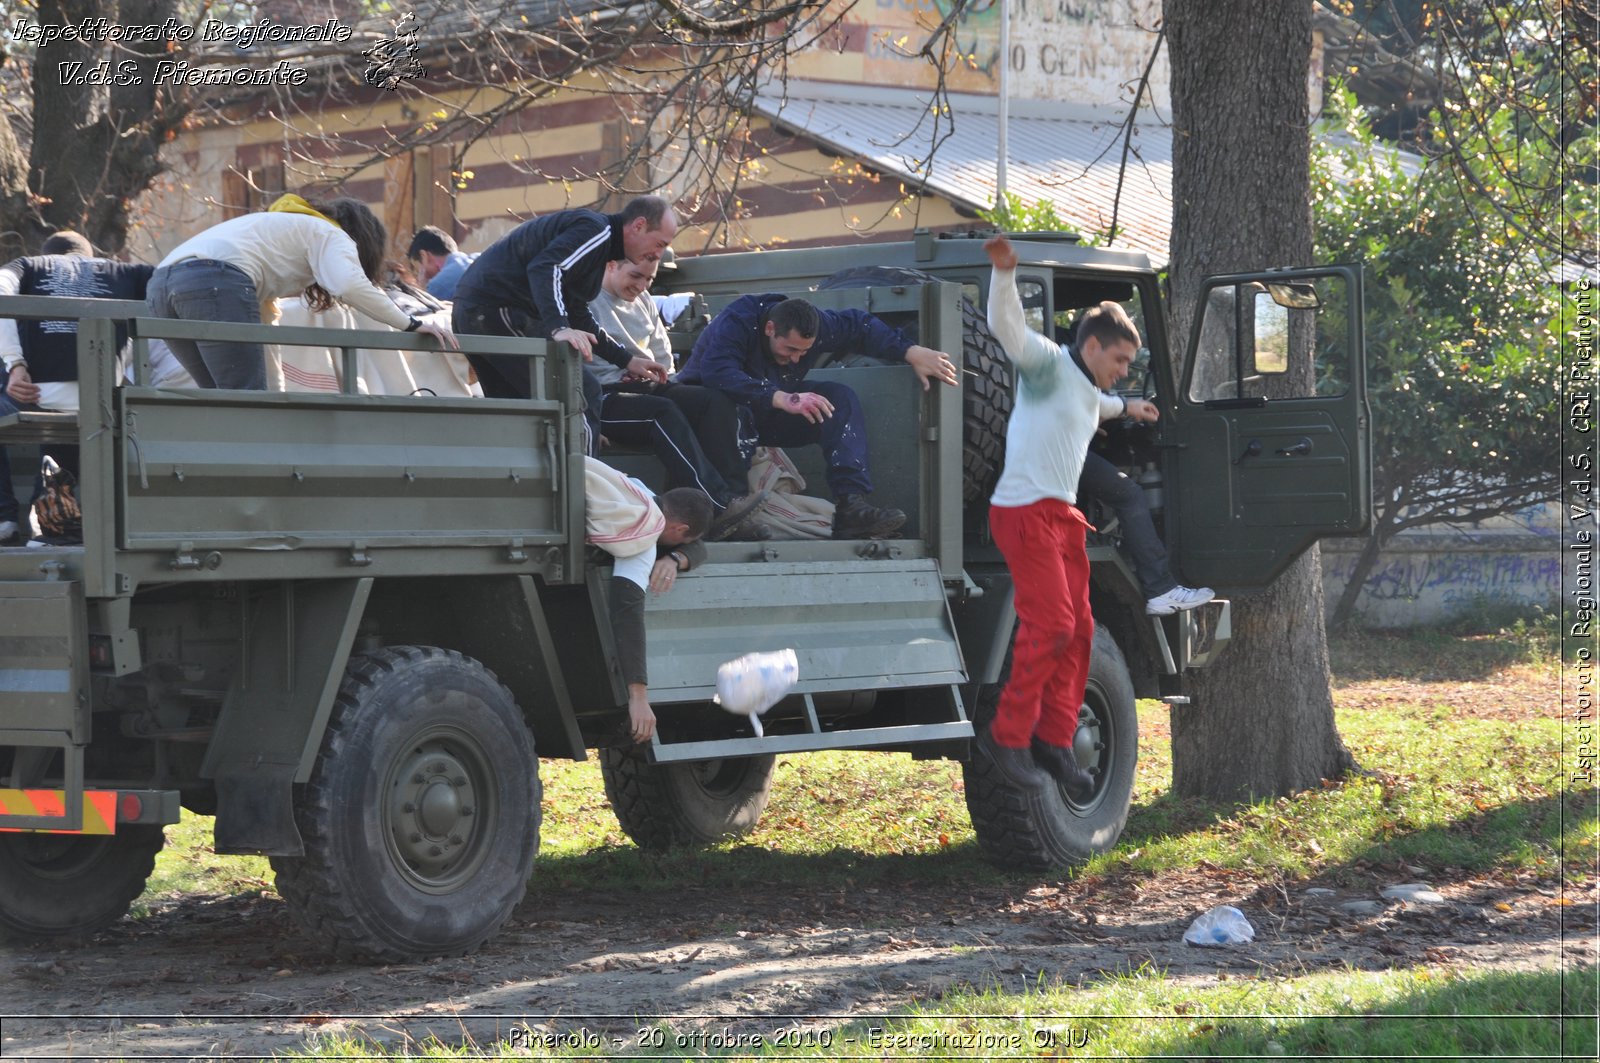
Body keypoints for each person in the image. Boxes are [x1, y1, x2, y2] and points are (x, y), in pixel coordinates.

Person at [975, 234, 1141, 798]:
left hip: (1062, 517)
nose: (1122, 370)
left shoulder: (1093, 391)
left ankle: (1054, 736)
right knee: (1052, 626)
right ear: (1092, 345)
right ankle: (1010, 738)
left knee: (1081, 632)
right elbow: (1008, 330)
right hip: (1022, 513)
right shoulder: (1046, 365)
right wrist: (1004, 274)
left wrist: (1132, 407)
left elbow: (1103, 406)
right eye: (1120, 360)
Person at [677, 295, 960, 540]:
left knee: (838, 399)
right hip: (710, 416)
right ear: (769, 329)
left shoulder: (818, 326)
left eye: (805, 351)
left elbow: (859, 326)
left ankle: (851, 506)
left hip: (764, 411)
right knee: (727, 406)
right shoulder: (738, 321)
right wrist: (781, 398)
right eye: (790, 349)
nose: (797, 359)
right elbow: (718, 373)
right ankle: (731, 510)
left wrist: (910, 351)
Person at [145, 193, 457, 391]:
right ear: (362, 242)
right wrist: (411, 324)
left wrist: (276, 395)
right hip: (213, 282)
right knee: (242, 399)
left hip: (160, 285)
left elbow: (266, 326)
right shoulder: (329, 234)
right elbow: (349, 285)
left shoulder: (274, 231)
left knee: (217, 394)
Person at [450, 196, 677, 450]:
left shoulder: (597, 251)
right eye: (660, 243)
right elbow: (547, 267)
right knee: (580, 389)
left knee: (517, 407)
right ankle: (585, 480)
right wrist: (559, 327)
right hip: (496, 310)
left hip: (477, 312)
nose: (659, 253)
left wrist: (627, 360)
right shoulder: (597, 231)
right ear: (638, 226)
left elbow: (578, 313)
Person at [589, 257, 761, 537]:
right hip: (604, 396)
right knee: (662, 412)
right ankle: (717, 507)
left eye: (648, 280)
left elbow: (662, 355)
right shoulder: (585, 300)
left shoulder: (643, 300)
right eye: (635, 276)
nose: (642, 285)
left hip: (646, 386)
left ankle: (735, 502)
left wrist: (655, 374)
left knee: (713, 402)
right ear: (610, 265)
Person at [0, 231, 154, 541]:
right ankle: (67, 524)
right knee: (69, 437)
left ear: (49, 254)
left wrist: (16, 365)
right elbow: (174, 286)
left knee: (42, 424)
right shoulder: (129, 272)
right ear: (89, 256)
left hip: (43, 398)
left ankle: (8, 517)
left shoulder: (29, 265)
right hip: (105, 400)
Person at [584, 457, 713, 742]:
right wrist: (639, 696)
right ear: (678, 531)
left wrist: (677, 557)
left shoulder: (636, 487)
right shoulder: (641, 539)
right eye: (683, 540)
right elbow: (627, 614)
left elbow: (700, 546)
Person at [1080, 402, 1213, 616]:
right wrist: (1125, 407)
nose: (1123, 373)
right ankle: (1160, 588)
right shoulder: (1067, 372)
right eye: (1119, 365)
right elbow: (1080, 393)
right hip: (1060, 449)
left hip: (1057, 446)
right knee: (1129, 495)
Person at [405, 226, 477, 300]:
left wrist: (422, 287)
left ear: (424, 256)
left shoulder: (439, 284)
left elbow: (424, 306)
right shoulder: (477, 258)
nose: (418, 276)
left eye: (418, 270)